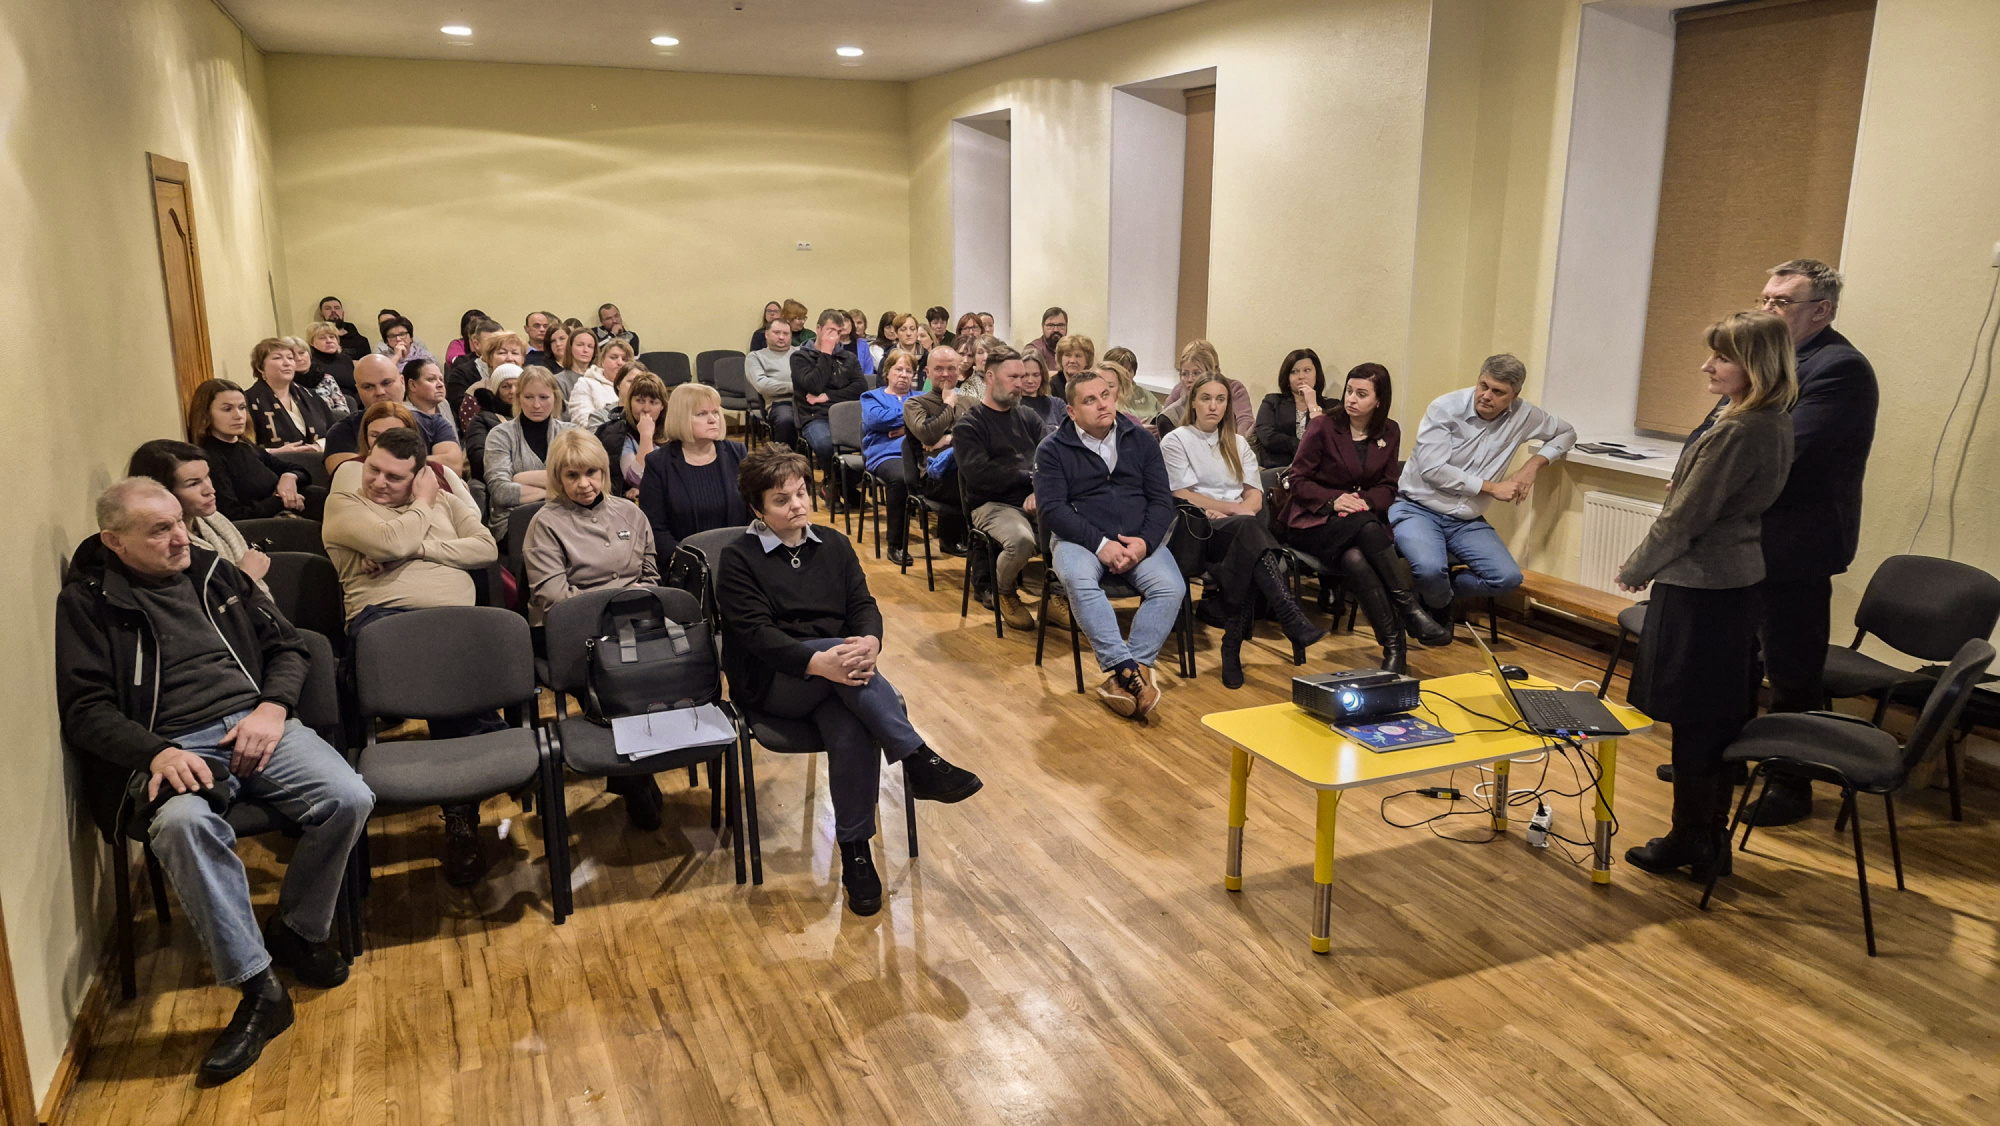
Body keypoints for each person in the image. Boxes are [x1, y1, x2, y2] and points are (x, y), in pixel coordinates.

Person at [57, 479, 373, 1085]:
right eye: (160, 530)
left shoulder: (214, 572)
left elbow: (288, 647)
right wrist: (155, 752)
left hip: (257, 723)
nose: (181, 536)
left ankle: (297, 930)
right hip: (171, 745)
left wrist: (272, 709)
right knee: (180, 826)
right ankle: (259, 987)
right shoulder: (88, 604)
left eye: (179, 521)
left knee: (349, 797)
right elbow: (86, 710)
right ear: (114, 541)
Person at [715, 445, 983, 916]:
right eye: (781, 500)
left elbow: (863, 605)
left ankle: (856, 854)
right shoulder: (738, 559)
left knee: (850, 724)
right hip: (774, 680)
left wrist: (871, 642)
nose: (797, 505)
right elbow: (757, 636)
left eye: (801, 493)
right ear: (757, 509)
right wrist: (820, 661)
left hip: (840, 680)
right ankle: (917, 759)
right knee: (842, 667)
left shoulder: (834, 544)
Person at [1618, 311, 1798, 879]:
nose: (1707, 366)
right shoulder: (1769, 419)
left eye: (1721, 357)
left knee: (1697, 720)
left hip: (1703, 589)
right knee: (1715, 718)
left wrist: (1637, 568)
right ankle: (1706, 838)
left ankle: (1693, 839)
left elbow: (1684, 518)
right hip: (1733, 584)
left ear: (1755, 365)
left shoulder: (1739, 430)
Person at [322, 428, 502, 885]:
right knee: (450, 674)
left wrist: (420, 548)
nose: (378, 482)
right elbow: (390, 544)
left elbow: (486, 548)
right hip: (384, 627)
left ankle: (463, 808)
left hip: (455, 625)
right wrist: (421, 507)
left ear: (418, 474)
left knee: (461, 650)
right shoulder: (346, 504)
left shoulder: (447, 501)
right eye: (373, 469)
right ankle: (479, 768)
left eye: (394, 477)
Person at [522, 429, 665, 827]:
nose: (584, 484)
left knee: (660, 673)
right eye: (572, 475)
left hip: (632, 624)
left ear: (604, 472)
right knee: (619, 680)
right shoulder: (545, 523)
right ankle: (636, 777)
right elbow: (555, 597)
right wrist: (617, 606)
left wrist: (631, 607)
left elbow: (651, 575)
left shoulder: (631, 513)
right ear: (558, 478)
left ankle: (634, 771)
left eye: (592, 473)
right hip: (570, 633)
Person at [1281, 363, 1452, 672]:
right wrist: (1333, 501)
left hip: (1359, 525)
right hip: (1314, 521)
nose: (1351, 399)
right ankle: (1410, 609)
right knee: (1368, 527)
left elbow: (1388, 486)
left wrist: (1364, 501)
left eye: (1361, 394)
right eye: (1349, 391)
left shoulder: (1390, 431)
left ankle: (1394, 648)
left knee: (1356, 559)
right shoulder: (1323, 426)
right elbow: (1297, 480)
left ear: (1378, 400)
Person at [1034, 367, 1183, 720]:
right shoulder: (1052, 449)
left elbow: (1162, 500)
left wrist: (1144, 543)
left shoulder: (1141, 439)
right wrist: (1101, 544)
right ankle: (1126, 669)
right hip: (1079, 540)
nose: (1102, 404)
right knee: (1079, 581)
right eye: (1090, 400)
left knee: (1171, 587)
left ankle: (1129, 674)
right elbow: (1052, 509)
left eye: (1106, 395)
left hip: (1136, 538)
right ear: (1072, 412)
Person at [1162, 373, 1328, 688]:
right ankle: (1283, 618)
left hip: (1235, 529)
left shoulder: (1238, 443)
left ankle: (1234, 647)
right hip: (1195, 531)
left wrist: (1234, 512)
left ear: (1228, 405)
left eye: (1220, 399)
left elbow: (1254, 497)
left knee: (1248, 547)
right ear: (1193, 402)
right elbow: (1182, 495)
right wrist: (1231, 509)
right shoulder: (1176, 440)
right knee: (1250, 539)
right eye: (1206, 398)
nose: (1213, 406)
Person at [1391, 354, 1576, 621]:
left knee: (1507, 578)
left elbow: (1567, 432)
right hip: (1418, 509)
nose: (1486, 396)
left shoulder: (1524, 414)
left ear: (1514, 395)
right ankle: (1435, 610)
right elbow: (1432, 470)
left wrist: (1533, 465)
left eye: (1498, 392)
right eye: (1483, 386)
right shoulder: (1445, 408)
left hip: (1465, 520)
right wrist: (1492, 488)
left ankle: (1429, 597)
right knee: (1430, 570)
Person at [953, 344, 1049, 630]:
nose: (1020, 384)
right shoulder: (969, 425)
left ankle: (1057, 596)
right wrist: (1029, 478)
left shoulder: (1029, 417)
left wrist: (1038, 490)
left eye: (1023, 377)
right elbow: (981, 476)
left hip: (1035, 499)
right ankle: (1005, 591)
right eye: (1013, 377)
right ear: (991, 377)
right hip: (992, 504)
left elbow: (1052, 458)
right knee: (1021, 541)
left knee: (1073, 529)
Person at [127, 439, 274, 597]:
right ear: (162, 493)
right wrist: (245, 577)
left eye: (208, 476)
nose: (210, 490)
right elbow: (197, 605)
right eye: (193, 484)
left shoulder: (212, 519)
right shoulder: (168, 548)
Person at [635, 382, 751, 558]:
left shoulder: (737, 453)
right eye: (702, 414)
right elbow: (655, 528)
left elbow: (755, 512)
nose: (713, 419)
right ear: (681, 418)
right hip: (684, 563)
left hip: (737, 559)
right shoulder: (658, 464)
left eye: (715, 412)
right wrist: (690, 562)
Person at [188, 379, 325, 522]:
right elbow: (233, 514)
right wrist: (280, 500)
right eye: (227, 409)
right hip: (263, 525)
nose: (238, 416)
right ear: (206, 414)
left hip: (286, 512)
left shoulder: (245, 445)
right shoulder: (210, 457)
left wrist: (289, 477)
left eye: (242, 407)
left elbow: (299, 470)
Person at [323, 355, 464, 477]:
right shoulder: (342, 430)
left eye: (387, 383)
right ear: (358, 390)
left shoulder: (435, 423)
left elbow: (453, 467)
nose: (380, 392)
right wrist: (417, 462)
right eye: (368, 387)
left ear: (402, 382)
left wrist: (373, 462)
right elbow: (344, 473)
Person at [484, 368, 575, 539]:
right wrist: (555, 492)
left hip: (567, 516)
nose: (536, 405)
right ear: (518, 398)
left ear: (555, 398)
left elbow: (580, 482)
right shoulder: (500, 435)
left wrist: (519, 478)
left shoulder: (571, 433)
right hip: (514, 520)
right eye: (529, 397)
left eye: (544, 397)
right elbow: (501, 492)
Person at [902, 345, 972, 554]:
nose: (945, 374)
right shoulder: (915, 404)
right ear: (928, 372)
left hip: (968, 469)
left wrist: (949, 438)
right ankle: (968, 542)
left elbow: (984, 437)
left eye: (951, 368)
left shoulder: (971, 402)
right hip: (934, 478)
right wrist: (948, 404)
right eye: (939, 369)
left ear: (959, 371)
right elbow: (928, 435)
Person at [792, 308, 865, 489]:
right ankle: (841, 487)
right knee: (826, 445)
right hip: (815, 416)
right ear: (818, 329)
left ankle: (838, 487)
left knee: (873, 443)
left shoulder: (848, 357)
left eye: (838, 332)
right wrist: (825, 353)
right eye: (830, 331)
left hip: (846, 416)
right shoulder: (800, 357)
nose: (835, 337)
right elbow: (813, 386)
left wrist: (828, 396)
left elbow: (860, 388)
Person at [862, 349, 921, 566]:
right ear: (887, 372)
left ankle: (950, 538)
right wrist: (913, 418)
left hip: (918, 453)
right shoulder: (871, 397)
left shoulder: (921, 397)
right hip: (885, 454)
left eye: (909, 371)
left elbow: (934, 421)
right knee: (901, 478)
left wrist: (905, 429)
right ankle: (896, 544)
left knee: (951, 470)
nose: (904, 375)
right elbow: (876, 420)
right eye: (899, 369)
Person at [245, 337, 333, 452]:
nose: (287, 363)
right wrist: (276, 452)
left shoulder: (310, 396)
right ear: (260, 367)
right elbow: (243, 447)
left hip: (317, 459)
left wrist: (318, 446)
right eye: (277, 358)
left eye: (290, 358)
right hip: (274, 462)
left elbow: (335, 432)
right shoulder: (248, 401)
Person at [1255, 348, 1332, 469]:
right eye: (1294, 372)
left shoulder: (1332, 406)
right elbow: (1267, 436)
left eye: (1307, 370)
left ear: (1317, 374)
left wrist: (1313, 405)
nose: (1301, 376)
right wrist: (1298, 445)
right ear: (1287, 378)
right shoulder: (1272, 402)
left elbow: (1329, 441)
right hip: (1279, 469)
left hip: (1318, 469)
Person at [598, 369, 667, 500]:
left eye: (653, 402)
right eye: (640, 401)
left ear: (662, 406)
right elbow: (636, 478)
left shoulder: (672, 434)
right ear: (630, 402)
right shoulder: (616, 434)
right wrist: (646, 435)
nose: (646, 409)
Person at [1161, 341, 1254, 438]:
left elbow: (1245, 421)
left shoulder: (1234, 388)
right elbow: (1165, 416)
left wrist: (1235, 443)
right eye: (1185, 373)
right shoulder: (1180, 389)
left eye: (1196, 373)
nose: (1190, 379)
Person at [745, 314, 801, 449]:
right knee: (787, 420)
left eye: (786, 333)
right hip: (780, 403)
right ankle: (784, 458)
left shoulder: (801, 353)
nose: (781, 337)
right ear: (767, 334)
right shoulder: (756, 357)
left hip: (808, 402)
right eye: (776, 333)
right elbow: (762, 386)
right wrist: (796, 387)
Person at [463, 366, 519, 482]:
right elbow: (478, 457)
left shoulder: (534, 417)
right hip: (496, 479)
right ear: (496, 391)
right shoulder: (482, 419)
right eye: (506, 386)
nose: (513, 391)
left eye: (518, 386)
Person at [445, 317, 504, 413]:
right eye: (491, 343)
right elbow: (459, 409)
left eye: (501, 342)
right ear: (476, 344)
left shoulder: (515, 368)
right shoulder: (461, 374)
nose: (498, 347)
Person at [405, 358, 461, 449]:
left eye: (441, 379)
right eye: (431, 379)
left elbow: (455, 444)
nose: (440, 384)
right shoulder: (404, 413)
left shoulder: (443, 404)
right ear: (413, 385)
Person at [1102, 347, 1164, 426]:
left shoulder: (1145, 393)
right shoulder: (1105, 395)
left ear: (1134, 372)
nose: (1125, 375)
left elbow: (1161, 414)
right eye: (1120, 371)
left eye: (1128, 371)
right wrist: (1138, 429)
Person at [567, 336, 620, 428]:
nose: (620, 362)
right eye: (613, 357)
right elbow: (583, 422)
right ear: (602, 361)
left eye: (625, 359)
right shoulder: (585, 384)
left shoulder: (636, 387)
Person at [306, 320, 358, 405]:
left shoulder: (346, 359)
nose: (329, 341)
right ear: (312, 342)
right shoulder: (310, 362)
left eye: (332, 337)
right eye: (322, 338)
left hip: (354, 404)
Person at [1018, 352, 1064, 427]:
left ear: (1043, 376)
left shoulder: (1057, 404)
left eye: (1036, 375)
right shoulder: (1010, 406)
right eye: (1025, 375)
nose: (1030, 381)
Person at [557, 324, 602, 401]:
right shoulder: (559, 380)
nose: (585, 350)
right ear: (570, 347)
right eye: (580, 345)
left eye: (590, 346)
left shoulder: (601, 378)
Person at [1051, 332, 1094, 404]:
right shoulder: (1051, 386)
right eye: (1068, 355)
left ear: (1087, 360)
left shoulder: (1093, 384)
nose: (1072, 361)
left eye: (1078, 356)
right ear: (1060, 359)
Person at [1026, 306, 1067, 378]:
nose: (1056, 330)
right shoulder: (1033, 349)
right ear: (1042, 327)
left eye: (1060, 325)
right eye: (1050, 325)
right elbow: (1031, 376)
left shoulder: (1072, 349)